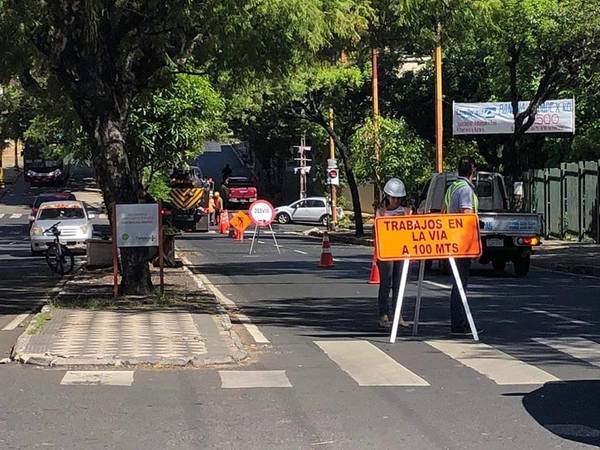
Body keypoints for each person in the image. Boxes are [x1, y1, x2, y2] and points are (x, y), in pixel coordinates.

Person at [443, 156, 480, 336]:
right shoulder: (465, 189)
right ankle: (459, 324)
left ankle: (460, 321)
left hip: (452, 242)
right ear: (472, 172)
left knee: (458, 284)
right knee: (460, 285)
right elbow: (467, 218)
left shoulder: (452, 188)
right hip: (462, 244)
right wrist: (474, 244)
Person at [376, 177, 412, 329]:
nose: (396, 201)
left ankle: (398, 315)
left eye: (399, 198)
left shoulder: (406, 211)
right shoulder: (381, 212)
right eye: (393, 198)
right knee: (386, 283)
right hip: (386, 252)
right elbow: (378, 230)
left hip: (402, 252)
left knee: (399, 284)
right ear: (388, 196)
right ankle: (383, 315)